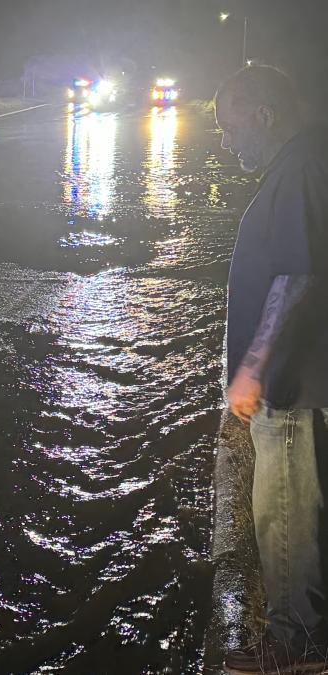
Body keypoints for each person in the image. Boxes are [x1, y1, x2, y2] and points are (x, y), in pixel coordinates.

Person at [216, 65, 328, 674]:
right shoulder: (307, 161)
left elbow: (296, 274)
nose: (229, 143)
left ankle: (297, 646)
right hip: (303, 374)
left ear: (264, 114)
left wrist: (254, 369)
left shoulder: (300, 169)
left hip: (292, 383)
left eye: (231, 128)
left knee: (283, 514)